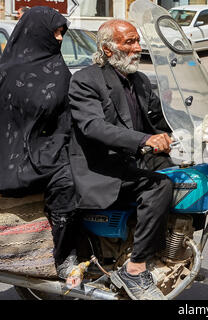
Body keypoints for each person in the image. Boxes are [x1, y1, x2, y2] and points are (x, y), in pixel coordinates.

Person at [68, 19, 174, 300]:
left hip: (132, 161)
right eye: (129, 42)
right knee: (159, 185)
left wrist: (197, 128)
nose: (137, 48)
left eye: (137, 41)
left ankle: (169, 250)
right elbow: (93, 126)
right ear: (107, 49)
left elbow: (157, 118)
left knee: (182, 175)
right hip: (102, 167)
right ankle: (136, 268)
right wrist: (143, 140)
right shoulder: (85, 80)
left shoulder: (138, 80)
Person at [0, 6, 80, 284]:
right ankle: (63, 255)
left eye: (62, 33)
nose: (59, 38)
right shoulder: (6, 71)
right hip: (12, 154)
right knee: (67, 181)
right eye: (55, 32)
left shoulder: (58, 68)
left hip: (49, 145)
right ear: (36, 32)